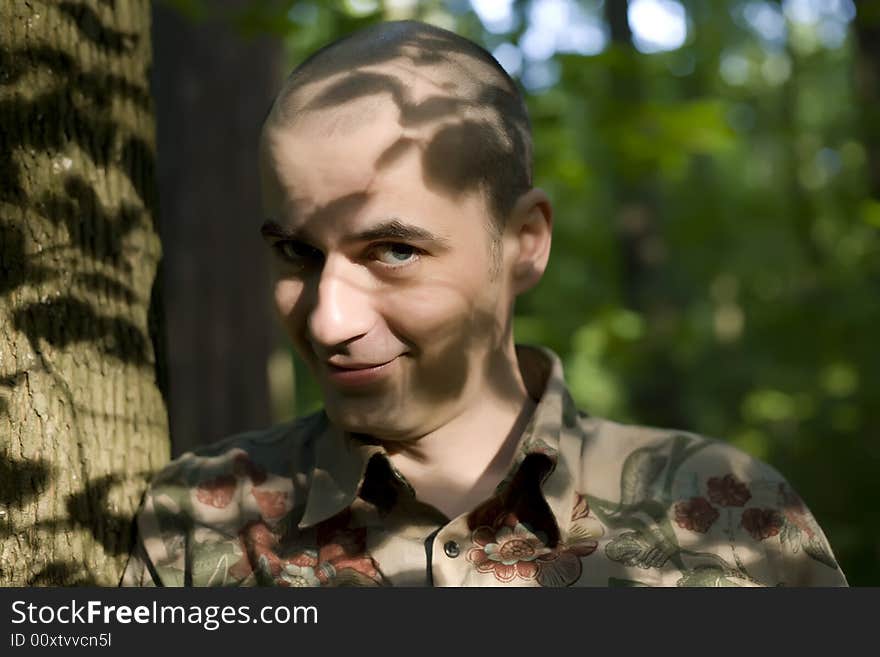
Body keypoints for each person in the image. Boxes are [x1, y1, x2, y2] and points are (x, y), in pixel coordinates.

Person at [122, 20, 847, 587]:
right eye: (295, 252)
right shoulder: (205, 521)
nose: (327, 321)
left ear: (525, 241)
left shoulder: (724, 516)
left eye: (393, 251)